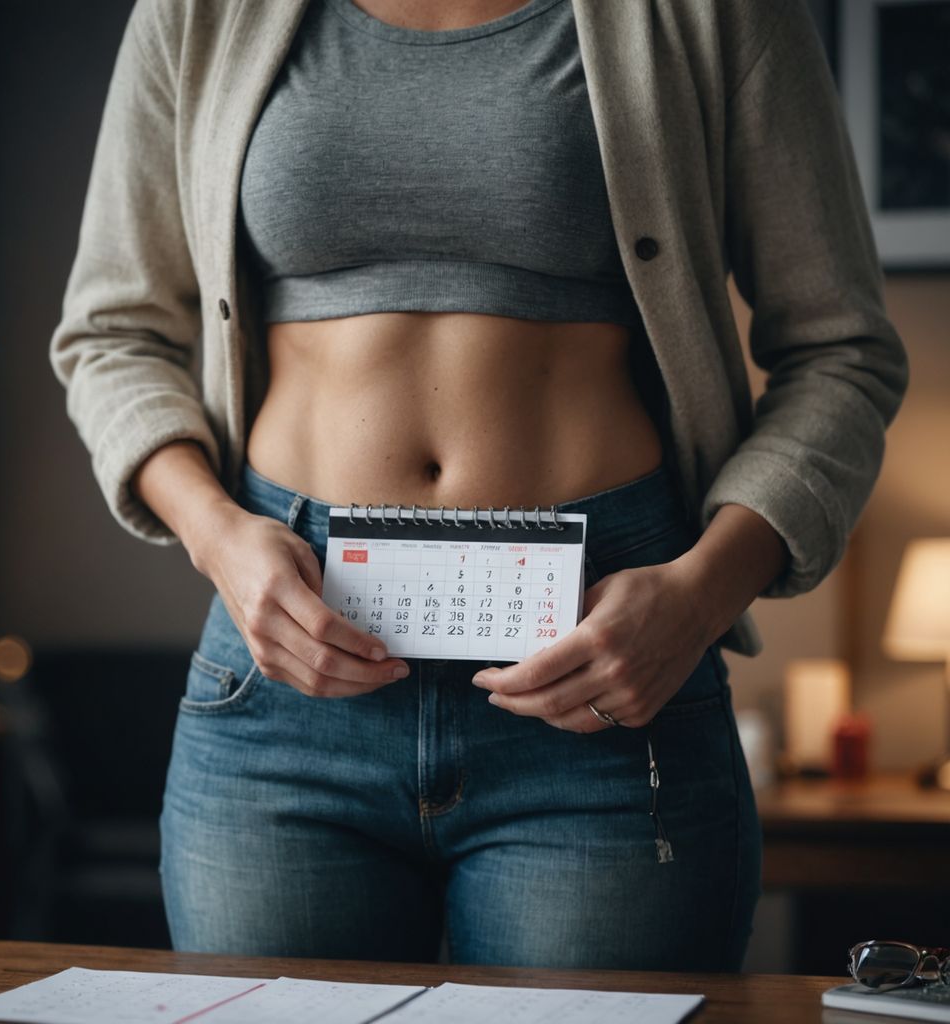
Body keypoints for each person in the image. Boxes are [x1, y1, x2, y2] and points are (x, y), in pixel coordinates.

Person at [49, 0, 909, 969]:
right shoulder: (197, 12)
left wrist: (699, 596)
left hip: (602, 673)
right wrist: (218, 537)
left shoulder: (715, 13)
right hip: (290, 685)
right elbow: (110, 337)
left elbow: (841, 353)